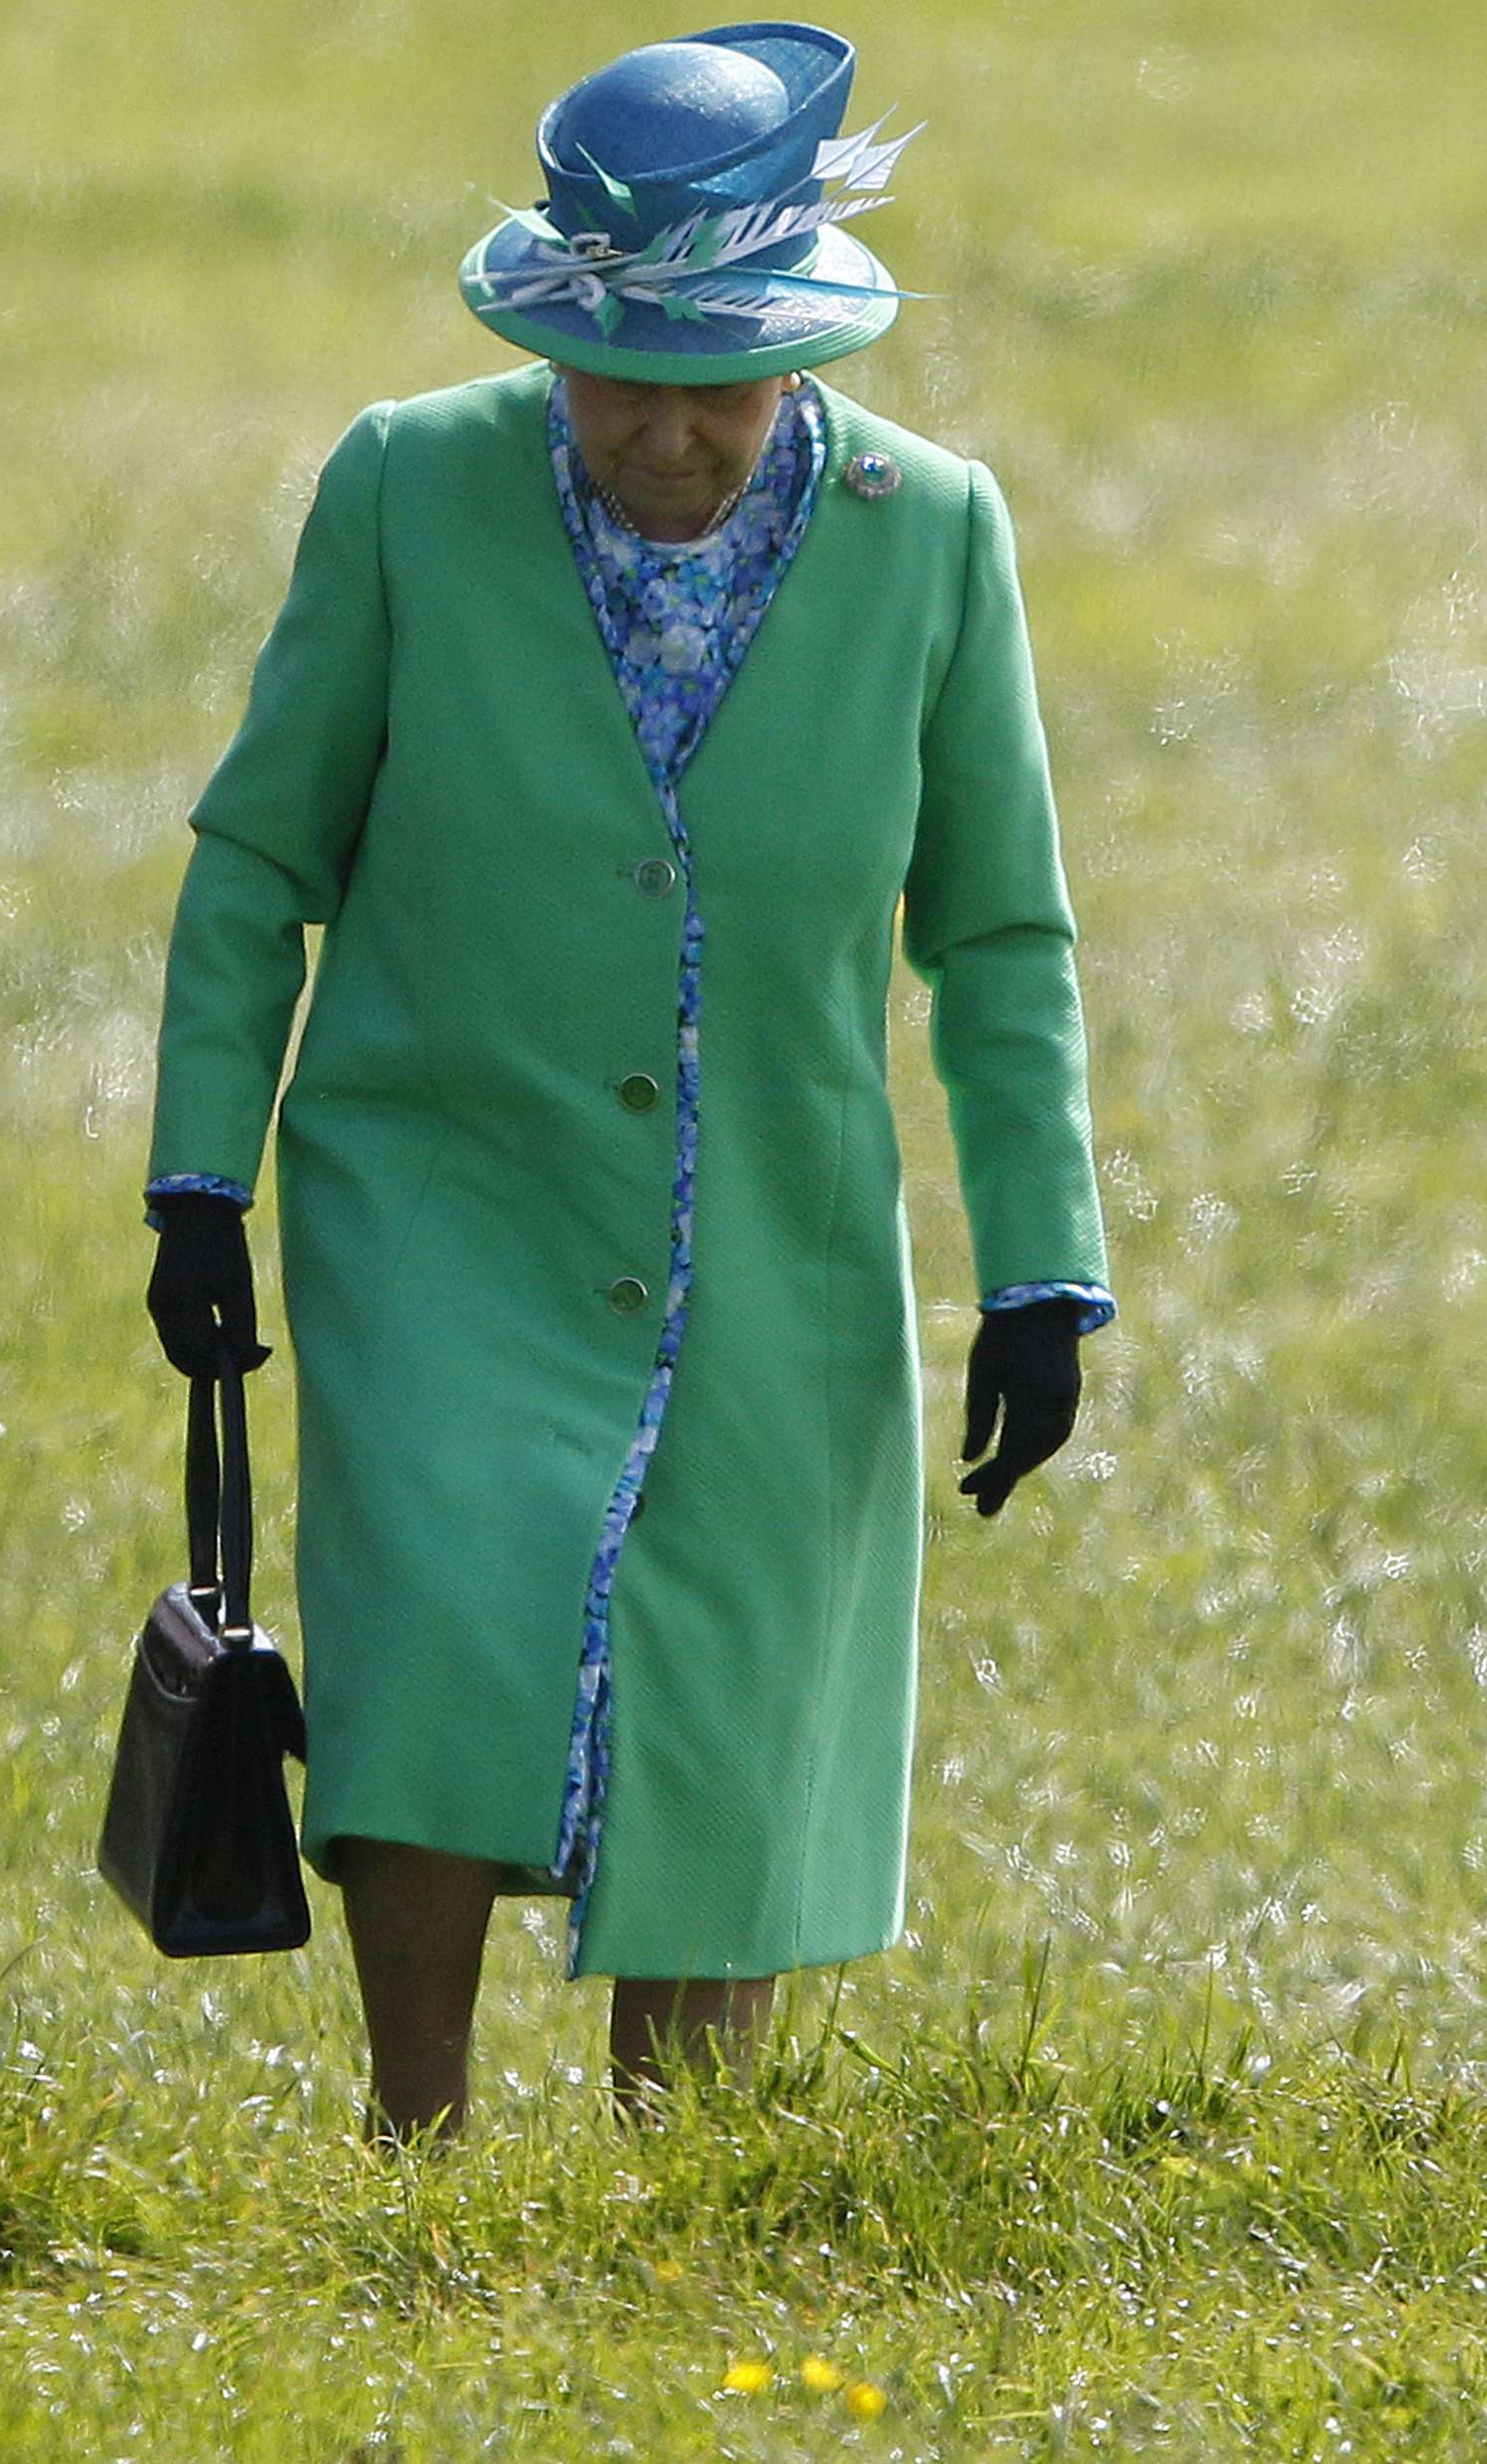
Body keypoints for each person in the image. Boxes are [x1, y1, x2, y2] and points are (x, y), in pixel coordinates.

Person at [137, 21, 1114, 2143]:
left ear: (803, 351)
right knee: (435, 1634)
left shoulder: (932, 534)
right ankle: (417, 2145)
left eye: (720, 387)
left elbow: (1002, 938)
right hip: (440, 1203)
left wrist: (1043, 1274)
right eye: (618, 383)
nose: (668, 434)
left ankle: (686, 2184)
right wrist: (198, 1179)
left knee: (729, 1693)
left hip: (774, 1240)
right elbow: (260, 858)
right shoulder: (408, 487)